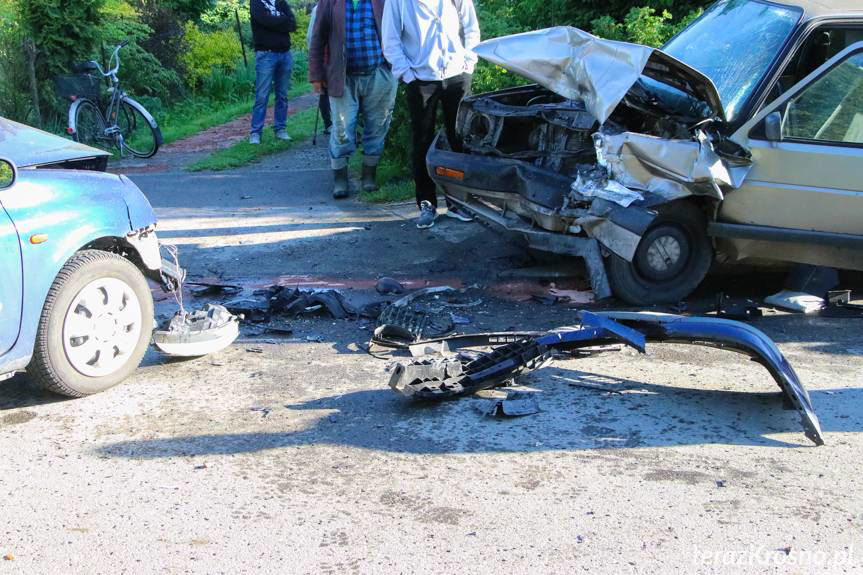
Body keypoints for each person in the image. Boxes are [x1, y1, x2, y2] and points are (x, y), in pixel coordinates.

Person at [382, 0, 480, 228]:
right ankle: (427, 204)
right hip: (420, 78)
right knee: (423, 141)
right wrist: (407, 75)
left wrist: (468, 63)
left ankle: (458, 202)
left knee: (459, 139)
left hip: (457, 74)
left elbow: (471, 27)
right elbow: (390, 40)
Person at [309, 0, 398, 199]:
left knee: (378, 125)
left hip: (379, 73)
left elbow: (400, 28)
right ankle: (340, 179)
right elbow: (317, 38)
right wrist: (316, 75)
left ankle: (369, 176)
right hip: (343, 77)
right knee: (342, 129)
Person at [249, 0, 297, 145]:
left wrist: (273, 22)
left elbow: (293, 24)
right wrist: (282, 19)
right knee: (262, 96)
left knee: (282, 95)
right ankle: (255, 132)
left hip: (285, 54)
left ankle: (280, 129)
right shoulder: (256, 2)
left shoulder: (281, 2)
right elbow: (264, 20)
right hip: (266, 55)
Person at [307, 3, 332, 136]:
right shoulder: (318, 8)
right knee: (324, 90)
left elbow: (310, 38)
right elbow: (312, 37)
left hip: (335, 58)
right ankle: (328, 124)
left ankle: (332, 124)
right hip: (326, 57)